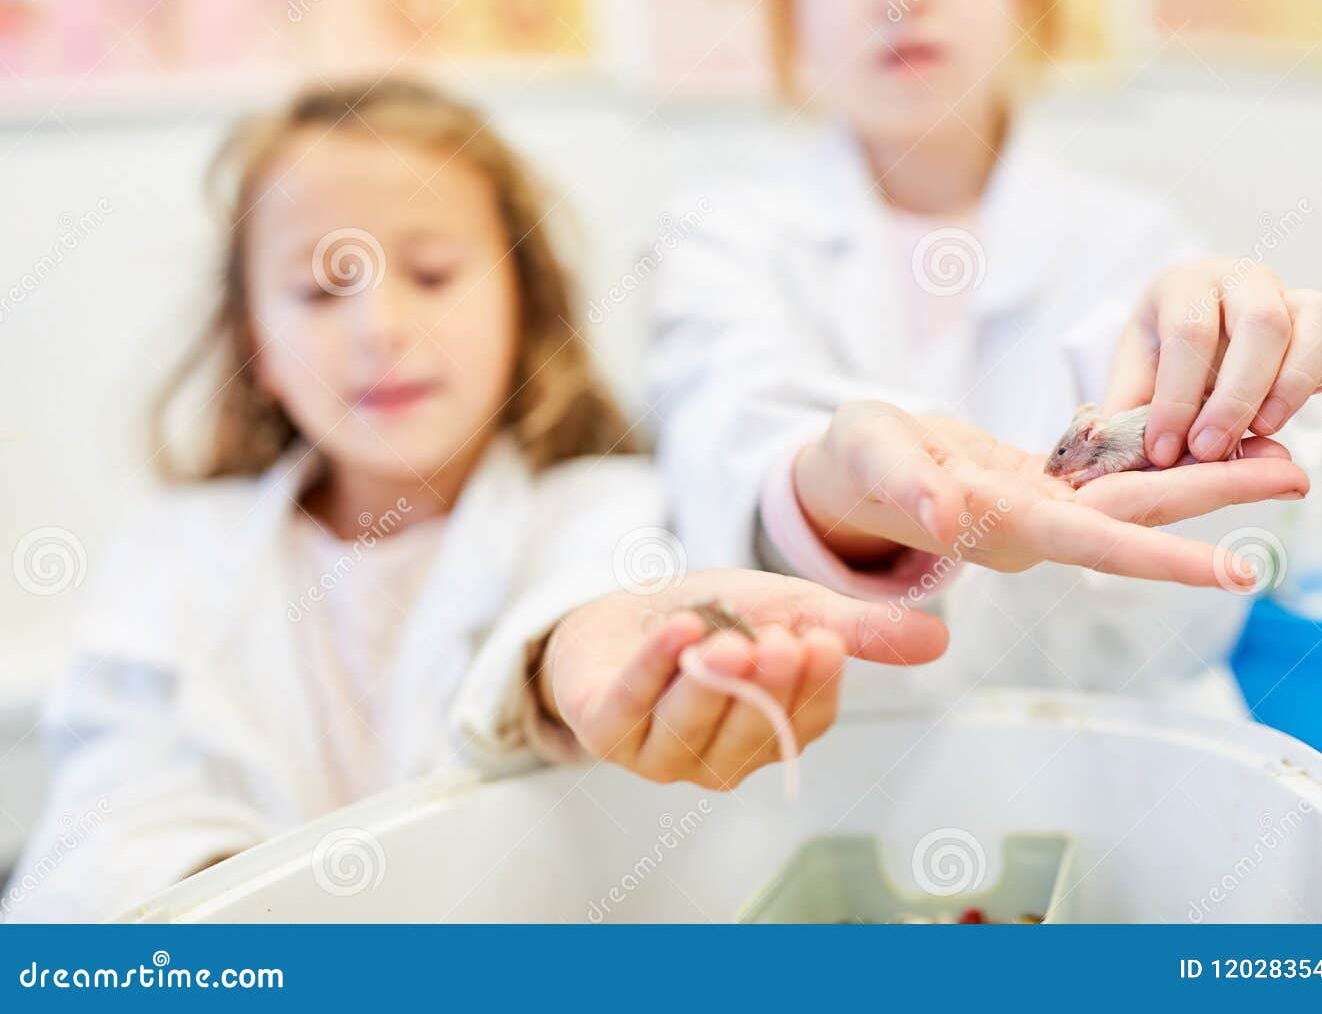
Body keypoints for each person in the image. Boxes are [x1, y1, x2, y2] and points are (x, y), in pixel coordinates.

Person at [3, 79, 946, 922]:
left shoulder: (603, 511)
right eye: (320, 287)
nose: (381, 328)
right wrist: (269, 921)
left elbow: (577, 617)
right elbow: (100, 835)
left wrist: (557, 662)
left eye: (433, 274)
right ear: (257, 339)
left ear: (522, 303)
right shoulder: (174, 554)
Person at [647, 0, 1322, 715]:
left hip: (1126, 752)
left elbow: (1204, 590)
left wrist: (1245, 369)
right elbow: (726, 455)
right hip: (830, 758)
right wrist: (829, 493)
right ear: (787, 16)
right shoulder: (723, 241)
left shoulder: (1139, 245)